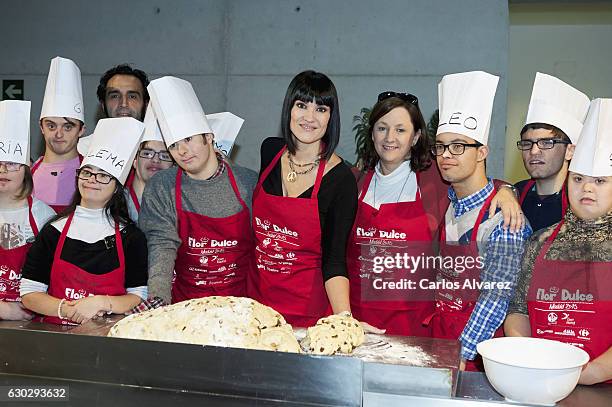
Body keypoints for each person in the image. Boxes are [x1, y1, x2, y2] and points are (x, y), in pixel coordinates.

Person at [348, 92, 525, 336]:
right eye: (382, 128)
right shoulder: (354, 182)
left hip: (414, 325)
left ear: (416, 137)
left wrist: (506, 190)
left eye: (400, 130)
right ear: (372, 134)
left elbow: (474, 183)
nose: (390, 138)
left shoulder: (435, 179)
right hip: (361, 320)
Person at [426, 71, 532, 371]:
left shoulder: (504, 219)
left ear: (482, 151)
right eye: (441, 146)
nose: (446, 155)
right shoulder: (449, 203)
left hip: (477, 357)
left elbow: (497, 297)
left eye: (458, 146)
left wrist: (462, 351)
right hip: (441, 338)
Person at [505, 98, 612, 385]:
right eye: (578, 179)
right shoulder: (541, 241)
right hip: (540, 381)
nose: (586, 188)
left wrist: (593, 373)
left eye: (600, 181)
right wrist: (529, 357)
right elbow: (517, 310)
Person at [248, 70, 357, 327]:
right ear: (289, 109)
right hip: (255, 307)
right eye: (301, 105)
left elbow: (334, 260)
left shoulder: (341, 180)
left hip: (306, 315)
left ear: (331, 117)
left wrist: (344, 319)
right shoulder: (270, 151)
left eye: (321, 109)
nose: (309, 117)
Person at [140, 76, 257, 304]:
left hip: (243, 306)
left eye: (189, 139)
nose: (182, 151)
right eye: (173, 145)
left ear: (209, 137)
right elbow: (161, 247)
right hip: (186, 307)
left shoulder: (248, 183)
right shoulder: (162, 187)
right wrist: (158, 301)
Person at [21, 118, 148, 325]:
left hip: (110, 341)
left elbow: (138, 295)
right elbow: (29, 292)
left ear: (117, 186)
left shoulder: (132, 237)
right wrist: (68, 309)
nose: (92, 180)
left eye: (103, 176)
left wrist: (100, 303)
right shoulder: (53, 230)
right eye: (87, 173)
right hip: (56, 339)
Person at [0, 100, 55, 320]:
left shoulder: (43, 215)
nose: (3, 170)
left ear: (26, 168)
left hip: (32, 321)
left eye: (12, 163)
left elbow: (54, 275)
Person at [515, 73, 590, 232]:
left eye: (546, 143)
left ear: (570, 151)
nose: (534, 151)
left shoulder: (584, 201)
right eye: (527, 143)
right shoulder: (515, 194)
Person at [32, 57, 86, 213]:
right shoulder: (25, 177)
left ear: (81, 130)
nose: (58, 134)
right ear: (41, 127)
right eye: (51, 125)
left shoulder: (92, 177)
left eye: (68, 127)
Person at [77, 64, 149, 156]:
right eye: (115, 96)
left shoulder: (161, 152)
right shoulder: (81, 150)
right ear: (103, 105)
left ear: (146, 104)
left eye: (132, 96)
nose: (123, 104)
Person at [126, 106, 174, 222]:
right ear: (134, 160)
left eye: (165, 155)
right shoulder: (115, 203)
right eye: (147, 153)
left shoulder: (181, 205)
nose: (156, 160)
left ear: (173, 166)